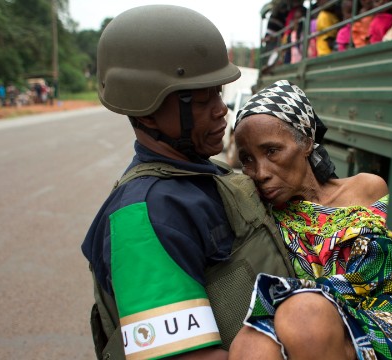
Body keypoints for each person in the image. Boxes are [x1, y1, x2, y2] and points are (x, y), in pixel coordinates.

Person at [82, 6, 294, 360]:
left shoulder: (202, 178)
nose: (220, 109)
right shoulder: (144, 217)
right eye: (200, 99)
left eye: (218, 92)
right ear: (147, 107)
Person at [229, 80, 392, 360]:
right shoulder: (268, 220)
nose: (260, 172)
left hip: (391, 336)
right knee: (250, 345)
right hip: (323, 339)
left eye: (271, 151)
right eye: (247, 159)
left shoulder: (369, 189)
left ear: (305, 141)